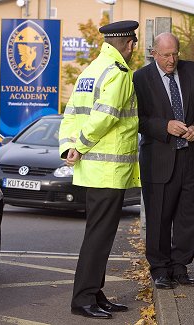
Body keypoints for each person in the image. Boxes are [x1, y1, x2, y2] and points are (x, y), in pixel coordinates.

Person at [59, 20, 140, 319]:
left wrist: (69, 146)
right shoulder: (118, 74)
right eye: (133, 44)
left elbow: (70, 114)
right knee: (99, 237)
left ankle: (94, 293)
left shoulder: (90, 70)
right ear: (128, 44)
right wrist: (79, 145)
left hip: (93, 169)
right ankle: (83, 299)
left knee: (98, 234)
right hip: (108, 170)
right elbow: (105, 117)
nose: (133, 49)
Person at [133, 33, 194, 290]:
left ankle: (180, 267)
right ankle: (159, 269)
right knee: (158, 217)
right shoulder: (140, 78)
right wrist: (164, 126)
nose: (172, 60)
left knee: (188, 217)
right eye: (166, 55)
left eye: (175, 54)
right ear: (154, 54)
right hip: (159, 159)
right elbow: (137, 118)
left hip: (192, 157)